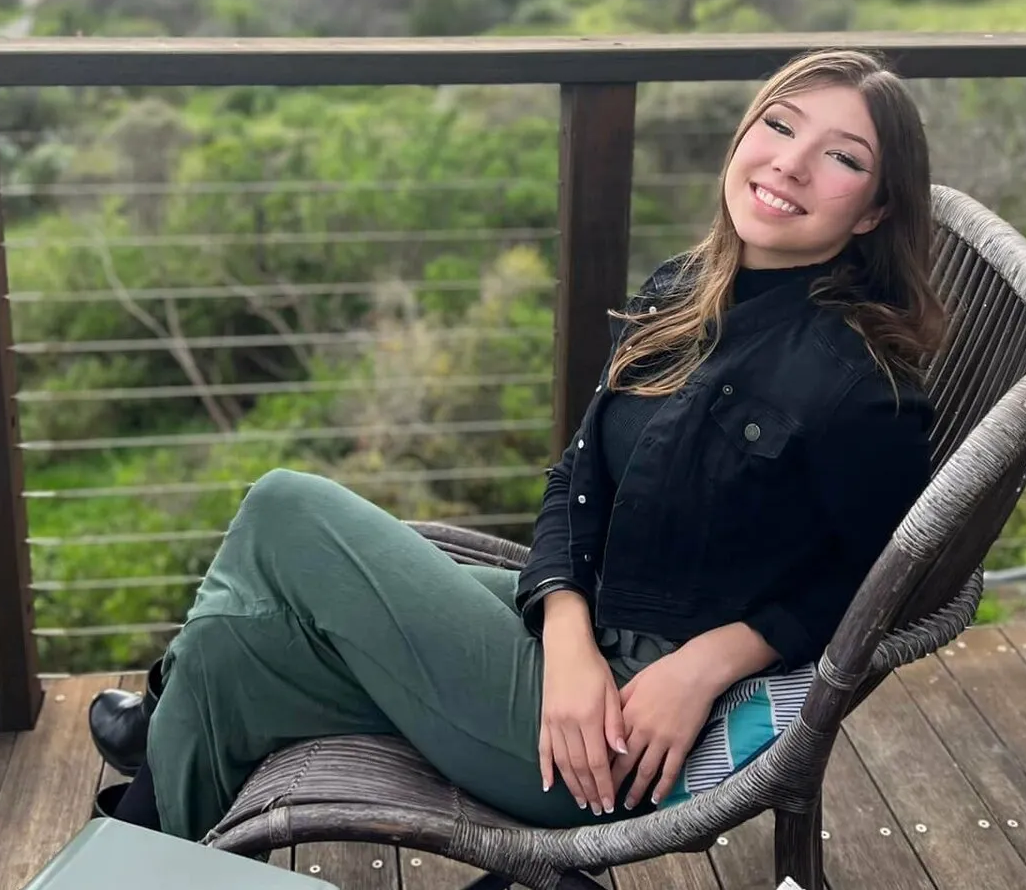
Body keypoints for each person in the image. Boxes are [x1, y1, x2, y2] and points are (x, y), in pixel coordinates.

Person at [87, 48, 947, 843]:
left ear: (875, 209)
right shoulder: (683, 291)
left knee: (286, 506)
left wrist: (710, 662)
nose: (790, 163)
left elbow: (890, 586)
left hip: (615, 739)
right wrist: (565, 632)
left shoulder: (863, 386)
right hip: (575, 647)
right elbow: (578, 478)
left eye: (842, 157)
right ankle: (137, 844)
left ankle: (155, 728)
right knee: (226, 658)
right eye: (780, 124)